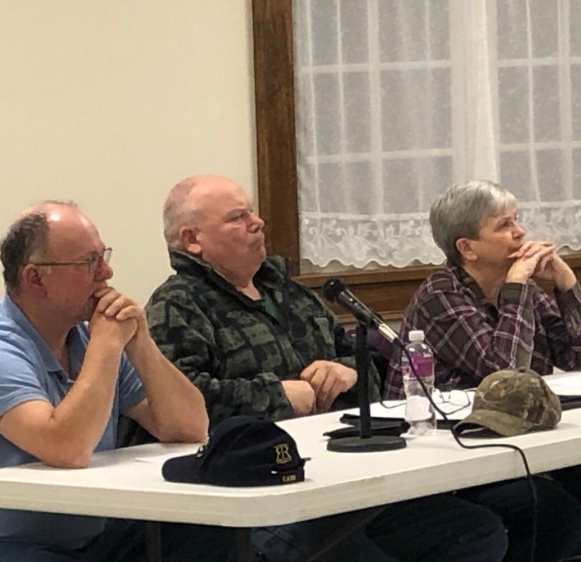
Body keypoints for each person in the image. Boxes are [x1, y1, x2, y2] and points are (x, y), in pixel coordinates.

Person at [145, 175, 510, 562]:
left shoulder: (293, 295)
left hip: (342, 477)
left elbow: (371, 374)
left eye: (252, 211)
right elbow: (183, 408)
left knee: (476, 532)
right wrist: (278, 396)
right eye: (238, 217)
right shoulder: (177, 307)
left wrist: (348, 373)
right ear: (192, 240)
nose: (257, 223)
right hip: (261, 495)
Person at [0, 201, 234, 562]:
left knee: (211, 530)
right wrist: (107, 345)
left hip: (83, 542)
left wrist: (141, 343)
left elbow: (189, 427)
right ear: (35, 278)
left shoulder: (87, 342)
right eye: (88, 262)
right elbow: (67, 449)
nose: (106, 272)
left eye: (103, 256)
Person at [384, 179, 581, 561]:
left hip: (519, 444)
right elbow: (503, 373)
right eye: (504, 225)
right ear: (466, 248)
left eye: (517, 221)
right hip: (451, 450)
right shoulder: (441, 296)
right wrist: (518, 285)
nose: (520, 232)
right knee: (557, 516)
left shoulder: (523, 290)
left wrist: (566, 282)